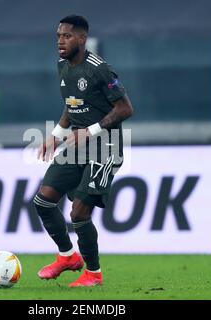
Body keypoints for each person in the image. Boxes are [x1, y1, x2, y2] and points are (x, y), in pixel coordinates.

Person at [34, 14, 133, 287]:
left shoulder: (100, 69)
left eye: (66, 36)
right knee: (43, 201)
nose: (60, 42)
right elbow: (72, 104)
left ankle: (94, 274)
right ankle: (67, 257)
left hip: (105, 148)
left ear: (82, 38)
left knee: (78, 214)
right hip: (75, 146)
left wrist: (89, 131)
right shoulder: (63, 67)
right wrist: (56, 135)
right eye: (58, 37)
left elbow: (125, 108)